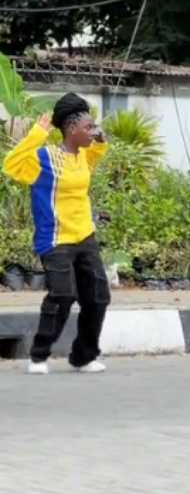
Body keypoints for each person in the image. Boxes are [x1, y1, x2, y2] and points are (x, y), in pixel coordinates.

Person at [2, 93, 110, 374]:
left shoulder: (84, 155)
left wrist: (100, 138)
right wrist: (38, 133)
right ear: (72, 129)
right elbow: (11, 165)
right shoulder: (44, 158)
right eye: (89, 127)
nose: (93, 131)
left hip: (84, 235)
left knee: (98, 296)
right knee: (62, 295)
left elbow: (97, 153)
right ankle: (39, 355)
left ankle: (84, 356)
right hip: (55, 239)